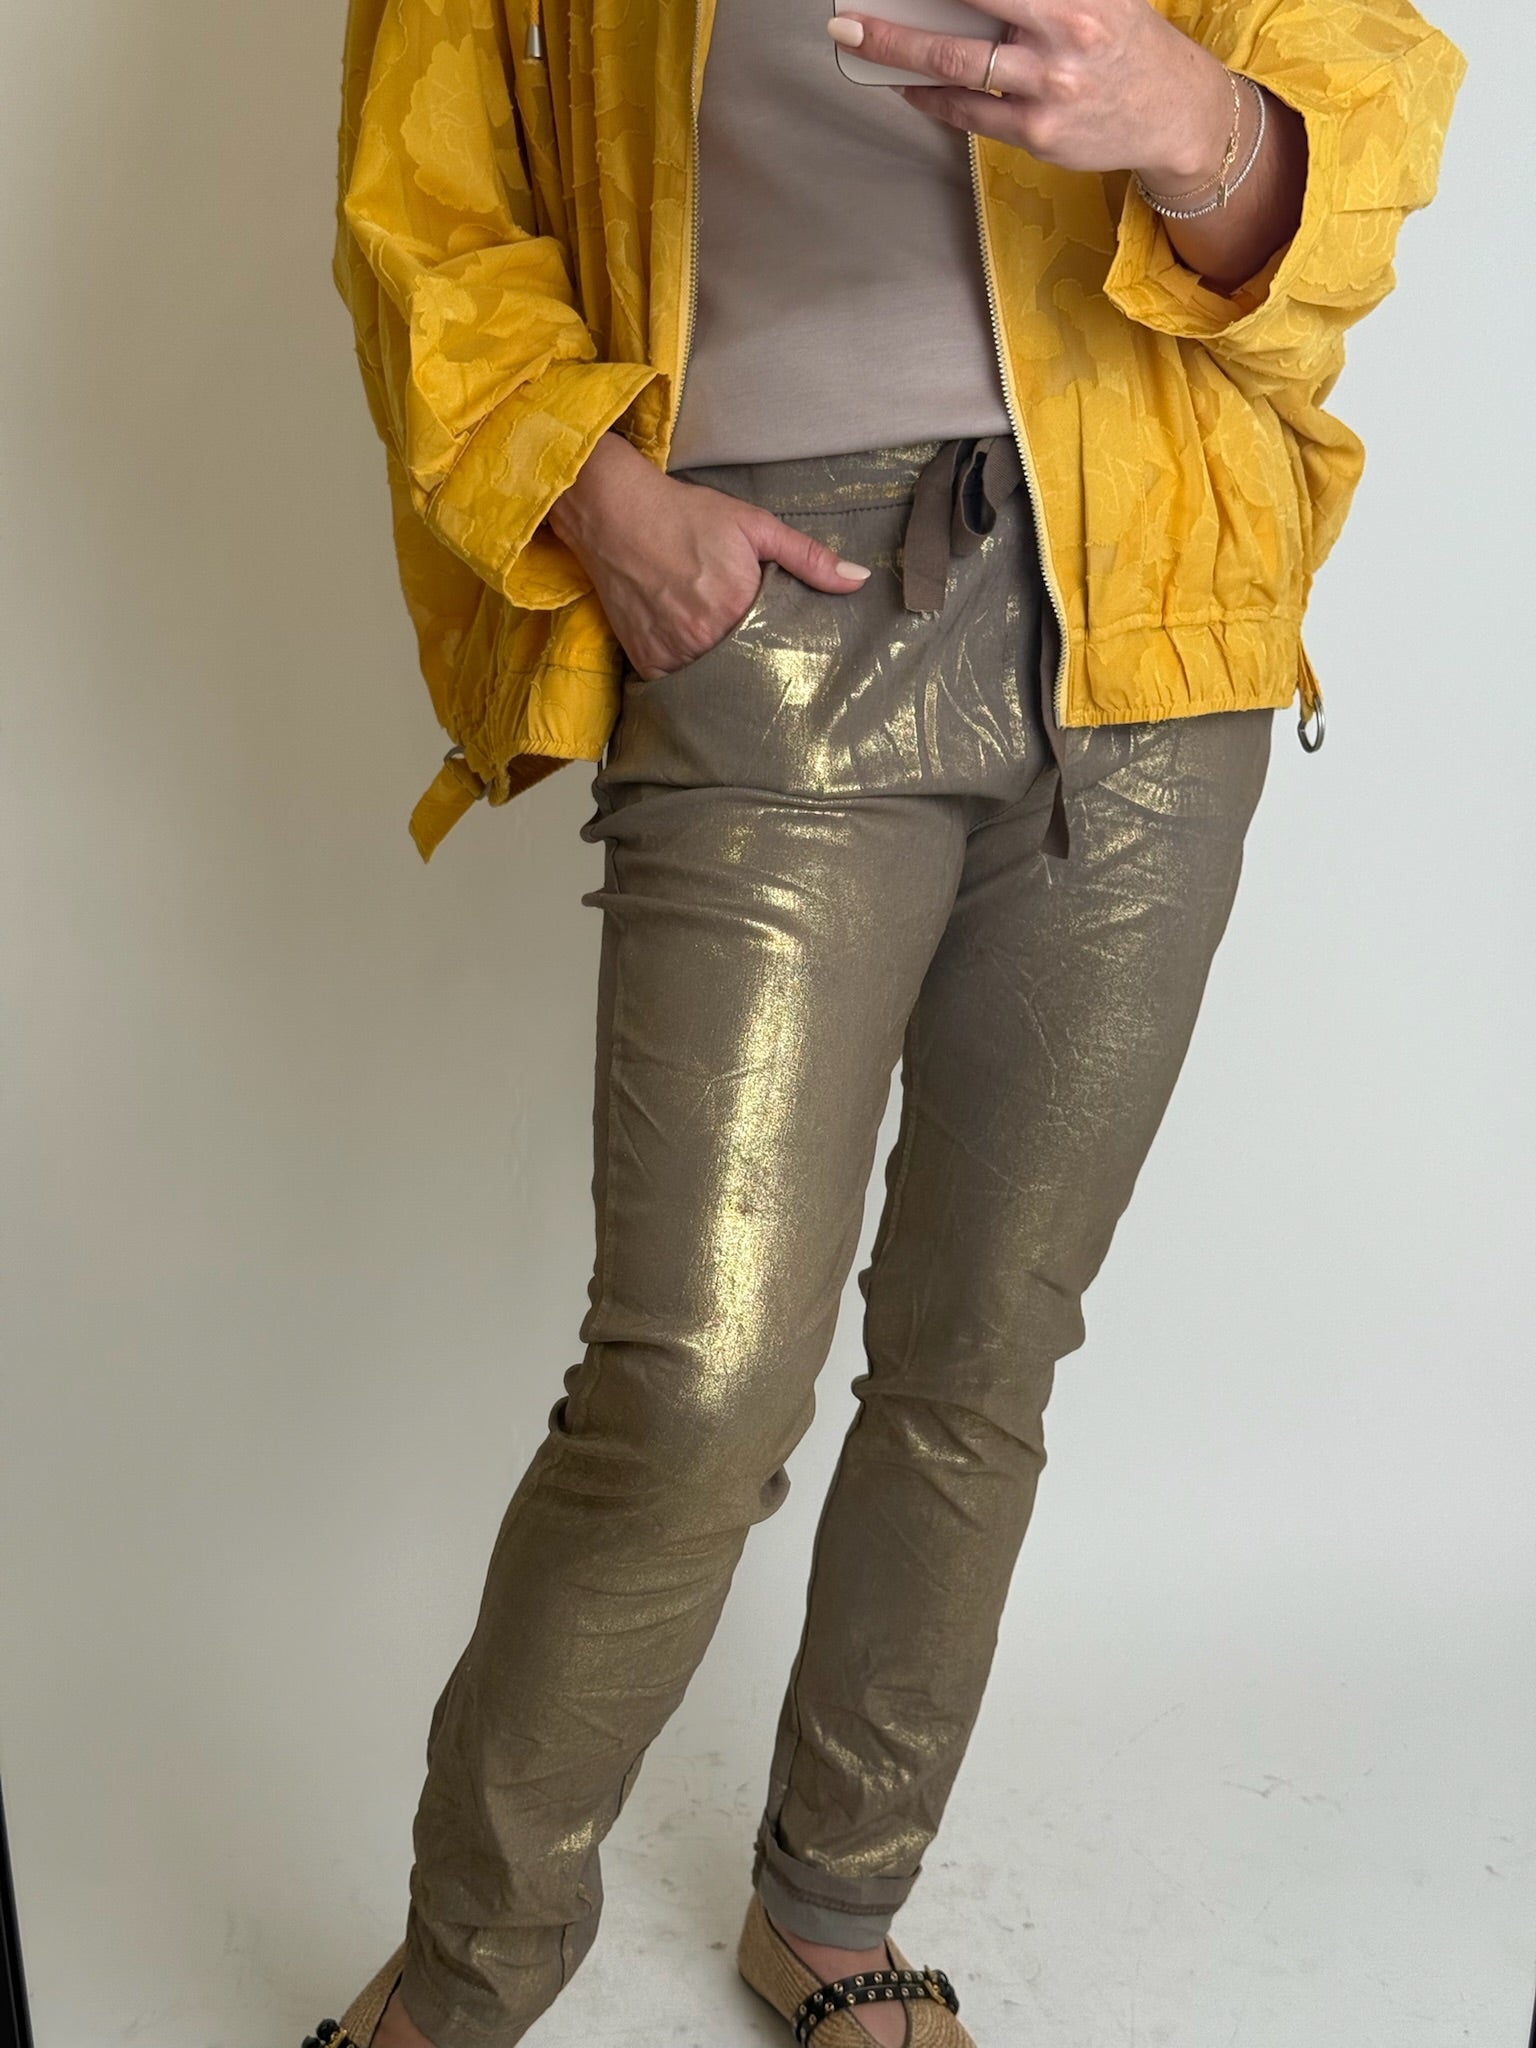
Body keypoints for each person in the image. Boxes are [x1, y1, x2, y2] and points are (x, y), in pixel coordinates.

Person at [310, 2, 1465, 2044]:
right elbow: (425, 205)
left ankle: (835, 1907)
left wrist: (1196, 121)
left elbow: (1354, 152)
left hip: (1155, 611)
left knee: (983, 1341)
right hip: (767, 600)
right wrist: (601, 498)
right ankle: (462, 1985)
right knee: (696, 1380)